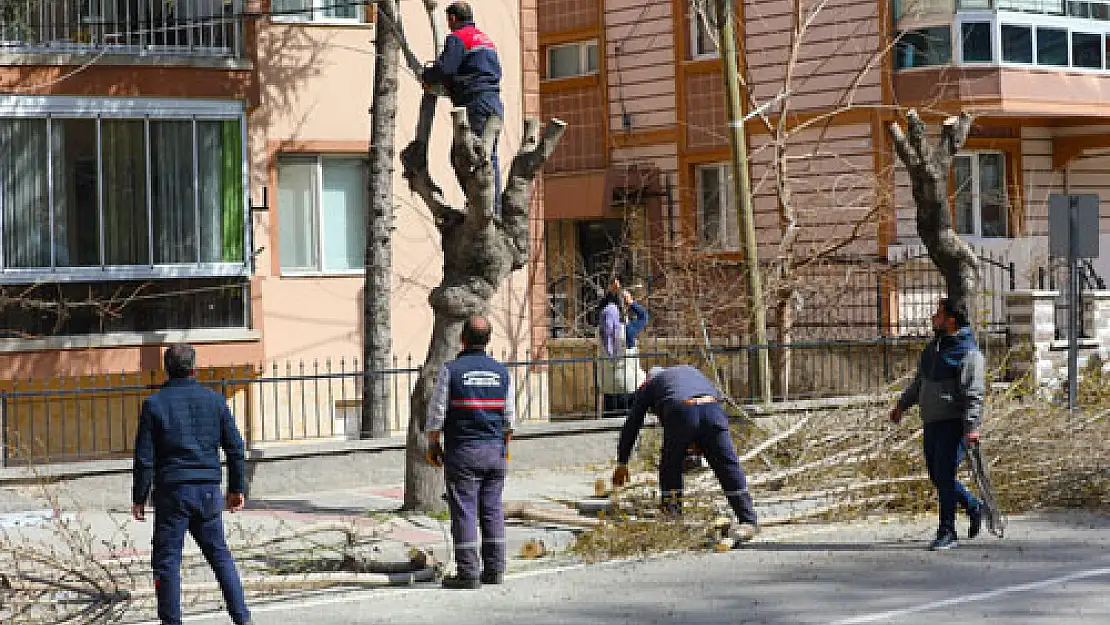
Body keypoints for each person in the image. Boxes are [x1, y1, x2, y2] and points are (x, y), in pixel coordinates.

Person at [132, 344, 252, 625]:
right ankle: (242, 618)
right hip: (208, 489)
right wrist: (236, 489)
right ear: (194, 369)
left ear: (167, 370)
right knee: (219, 555)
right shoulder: (215, 401)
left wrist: (140, 496)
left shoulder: (155, 404)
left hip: (173, 491)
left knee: (167, 562)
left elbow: (144, 457)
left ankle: (172, 621)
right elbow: (235, 448)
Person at [611, 364, 759, 543]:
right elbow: (705, 405)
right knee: (727, 464)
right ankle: (748, 520)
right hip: (713, 407)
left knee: (670, 466)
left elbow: (632, 424)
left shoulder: (649, 385)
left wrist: (622, 462)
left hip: (682, 410)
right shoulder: (691, 372)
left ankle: (672, 521)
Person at [888, 298, 985, 551]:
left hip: (954, 423)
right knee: (937, 476)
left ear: (951, 320)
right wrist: (902, 406)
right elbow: (919, 382)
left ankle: (947, 531)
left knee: (944, 475)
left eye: (938, 314)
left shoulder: (968, 352)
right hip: (931, 422)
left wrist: (972, 427)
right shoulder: (934, 348)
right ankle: (973, 506)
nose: (933, 318)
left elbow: (974, 392)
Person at [426, 315, 515, 589]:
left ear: (462, 339)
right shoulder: (502, 372)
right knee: (492, 510)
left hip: (464, 451)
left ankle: (468, 574)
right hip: (494, 452)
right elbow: (509, 418)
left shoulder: (451, 370)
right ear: (488, 341)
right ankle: (495, 569)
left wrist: (433, 444)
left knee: (464, 510)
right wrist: (504, 449)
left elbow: (437, 413)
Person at [421, 1, 504, 216]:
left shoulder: (457, 38)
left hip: (475, 102)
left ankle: (481, 205)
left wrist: (427, 75)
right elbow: (474, 69)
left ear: (453, 19)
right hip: (493, 101)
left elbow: (446, 68)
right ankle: (493, 207)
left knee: (463, 155)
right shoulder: (485, 40)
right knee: (487, 155)